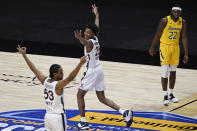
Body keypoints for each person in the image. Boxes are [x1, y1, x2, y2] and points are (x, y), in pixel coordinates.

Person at [73, 4, 133, 129]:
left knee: (79, 95)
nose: (85, 33)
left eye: (87, 32)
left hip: (92, 71)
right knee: (101, 97)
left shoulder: (89, 42)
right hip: (99, 69)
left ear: (92, 34)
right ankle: (124, 112)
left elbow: (85, 42)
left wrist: (79, 38)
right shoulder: (96, 38)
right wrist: (97, 15)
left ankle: (83, 122)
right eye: (85, 31)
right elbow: (97, 27)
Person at [17, 45, 86, 131]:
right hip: (58, 118)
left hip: (48, 117)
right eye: (60, 73)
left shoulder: (45, 81)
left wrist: (24, 55)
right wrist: (80, 64)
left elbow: (33, 69)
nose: (62, 74)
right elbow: (70, 77)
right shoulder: (58, 85)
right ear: (54, 74)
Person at [149, 5, 189, 106]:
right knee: (165, 71)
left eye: (178, 12)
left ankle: (171, 94)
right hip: (165, 47)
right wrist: (152, 47)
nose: (176, 13)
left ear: (180, 13)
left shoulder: (183, 22)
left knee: (173, 71)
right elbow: (158, 34)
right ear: (171, 11)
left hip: (175, 47)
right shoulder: (164, 20)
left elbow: (184, 37)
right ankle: (165, 95)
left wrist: (186, 53)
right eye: (174, 12)